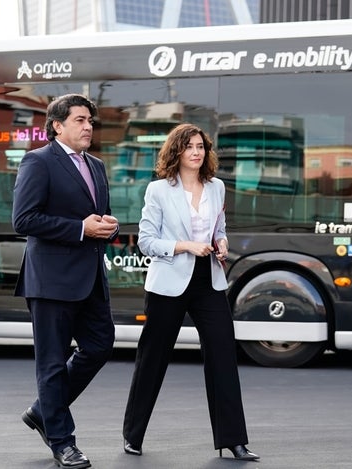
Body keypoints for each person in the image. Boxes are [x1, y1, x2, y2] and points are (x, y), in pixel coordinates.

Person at [122, 123, 259, 461]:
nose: (197, 152)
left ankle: (234, 439)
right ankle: (133, 435)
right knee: (153, 358)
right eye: (190, 147)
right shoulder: (158, 191)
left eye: (201, 146)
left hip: (208, 280)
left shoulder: (217, 188)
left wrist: (221, 243)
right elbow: (146, 242)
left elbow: (219, 229)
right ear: (177, 152)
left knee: (223, 355)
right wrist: (185, 246)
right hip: (169, 283)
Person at [12, 93, 119, 469]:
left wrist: (108, 225)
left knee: (101, 346)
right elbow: (23, 220)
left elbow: (99, 214)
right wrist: (80, 228)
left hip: (89, 278)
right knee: (52, 364)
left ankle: (44, 410)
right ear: (57, 125)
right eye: (79, 120)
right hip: (51, 280)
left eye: (90, 120)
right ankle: (62, 441)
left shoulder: (97, 165)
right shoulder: (38, 161)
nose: (88, 126)